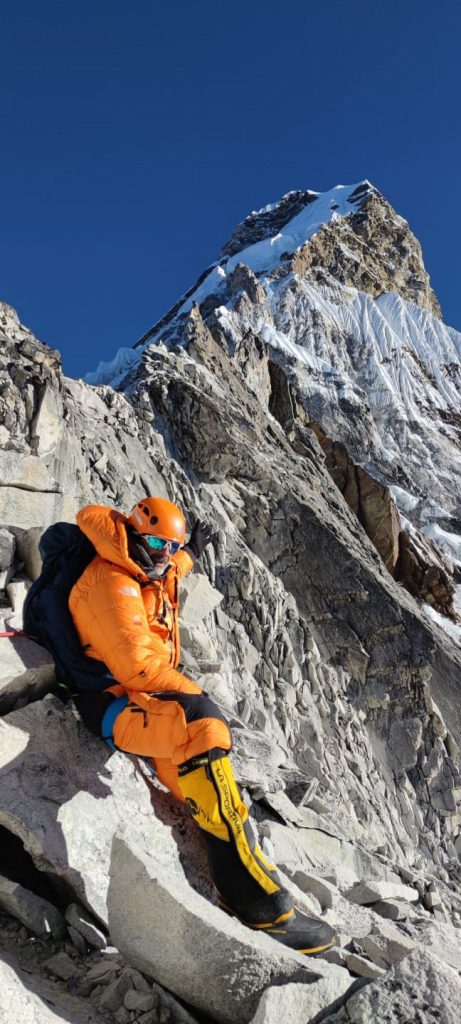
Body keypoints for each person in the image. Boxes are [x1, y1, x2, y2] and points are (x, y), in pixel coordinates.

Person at [68, 496, 335, 955]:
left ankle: (235, 850)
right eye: (156, 543)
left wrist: (189, 550)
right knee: (203, 726)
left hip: (138, 699)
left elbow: (166, 573)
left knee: (207, 788)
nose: (164, 554)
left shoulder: (140, 564)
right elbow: (137, 666)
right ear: (132, 533)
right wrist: (193, 696)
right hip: (112, 704)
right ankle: (258, 905)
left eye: (169, 546)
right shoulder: (112, 583)